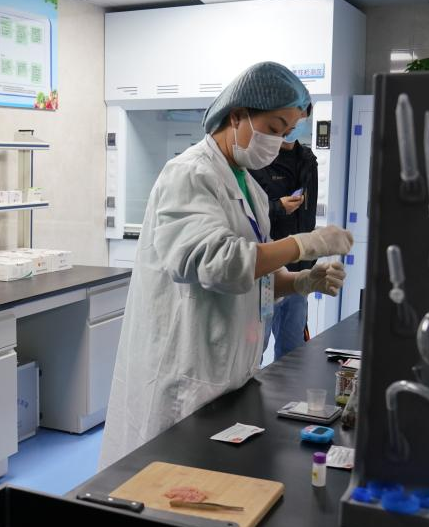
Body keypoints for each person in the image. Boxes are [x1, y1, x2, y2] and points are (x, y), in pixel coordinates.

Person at [99, 62, 354, 470]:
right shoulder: (189, 174)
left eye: (288, 133)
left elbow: (255, 274)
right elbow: (218, 262)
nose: (279, 143)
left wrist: (301, 281)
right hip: (188, 371)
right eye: (274, 128)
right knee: (171, 484)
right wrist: (303, 243)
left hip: (230, 372)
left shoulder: (248, 185)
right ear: (237, 116)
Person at [251, 118, 320, 359]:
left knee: (293, 351)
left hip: (299, 272)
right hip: (267, 274)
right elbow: (246, 214)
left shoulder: (307, 160)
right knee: (255, 348)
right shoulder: (259, 160)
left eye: (302, 116)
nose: (296, 123)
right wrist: (278, 207)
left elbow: (308, 215)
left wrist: (311, 261)